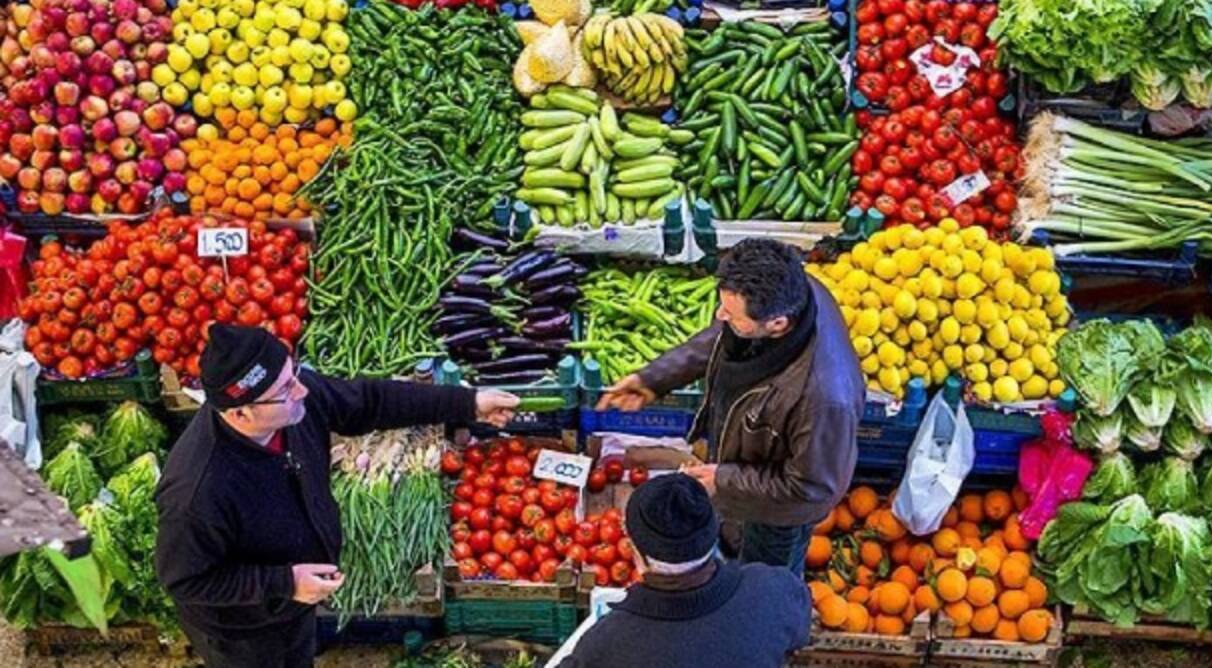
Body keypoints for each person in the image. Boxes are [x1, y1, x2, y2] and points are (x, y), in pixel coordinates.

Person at [155, 324, 519, 668]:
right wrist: (285, 583)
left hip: (293, 605)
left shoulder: (295, 402)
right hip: (241, 631)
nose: (301, 391)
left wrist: (468, 402)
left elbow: (369, 401)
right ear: (240, 412)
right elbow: (184, 580)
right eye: (284, 390)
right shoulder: (197, 491)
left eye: (294, 374)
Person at [598, 238, 864, 576]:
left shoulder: (825, 399)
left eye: (731, 314)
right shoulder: (791, 290)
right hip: (747, 465)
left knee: (764, 577)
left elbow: (811, 489)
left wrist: (724, 479)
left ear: (778, 324)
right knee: (735, 536)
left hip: (777, 514)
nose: (719, 316)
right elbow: (724, 336)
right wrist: (655, 378)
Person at [560, 474, 810, 668]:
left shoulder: (603, 647)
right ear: (713, 533)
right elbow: (797, 635)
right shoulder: (776, 591)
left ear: (635, 549)